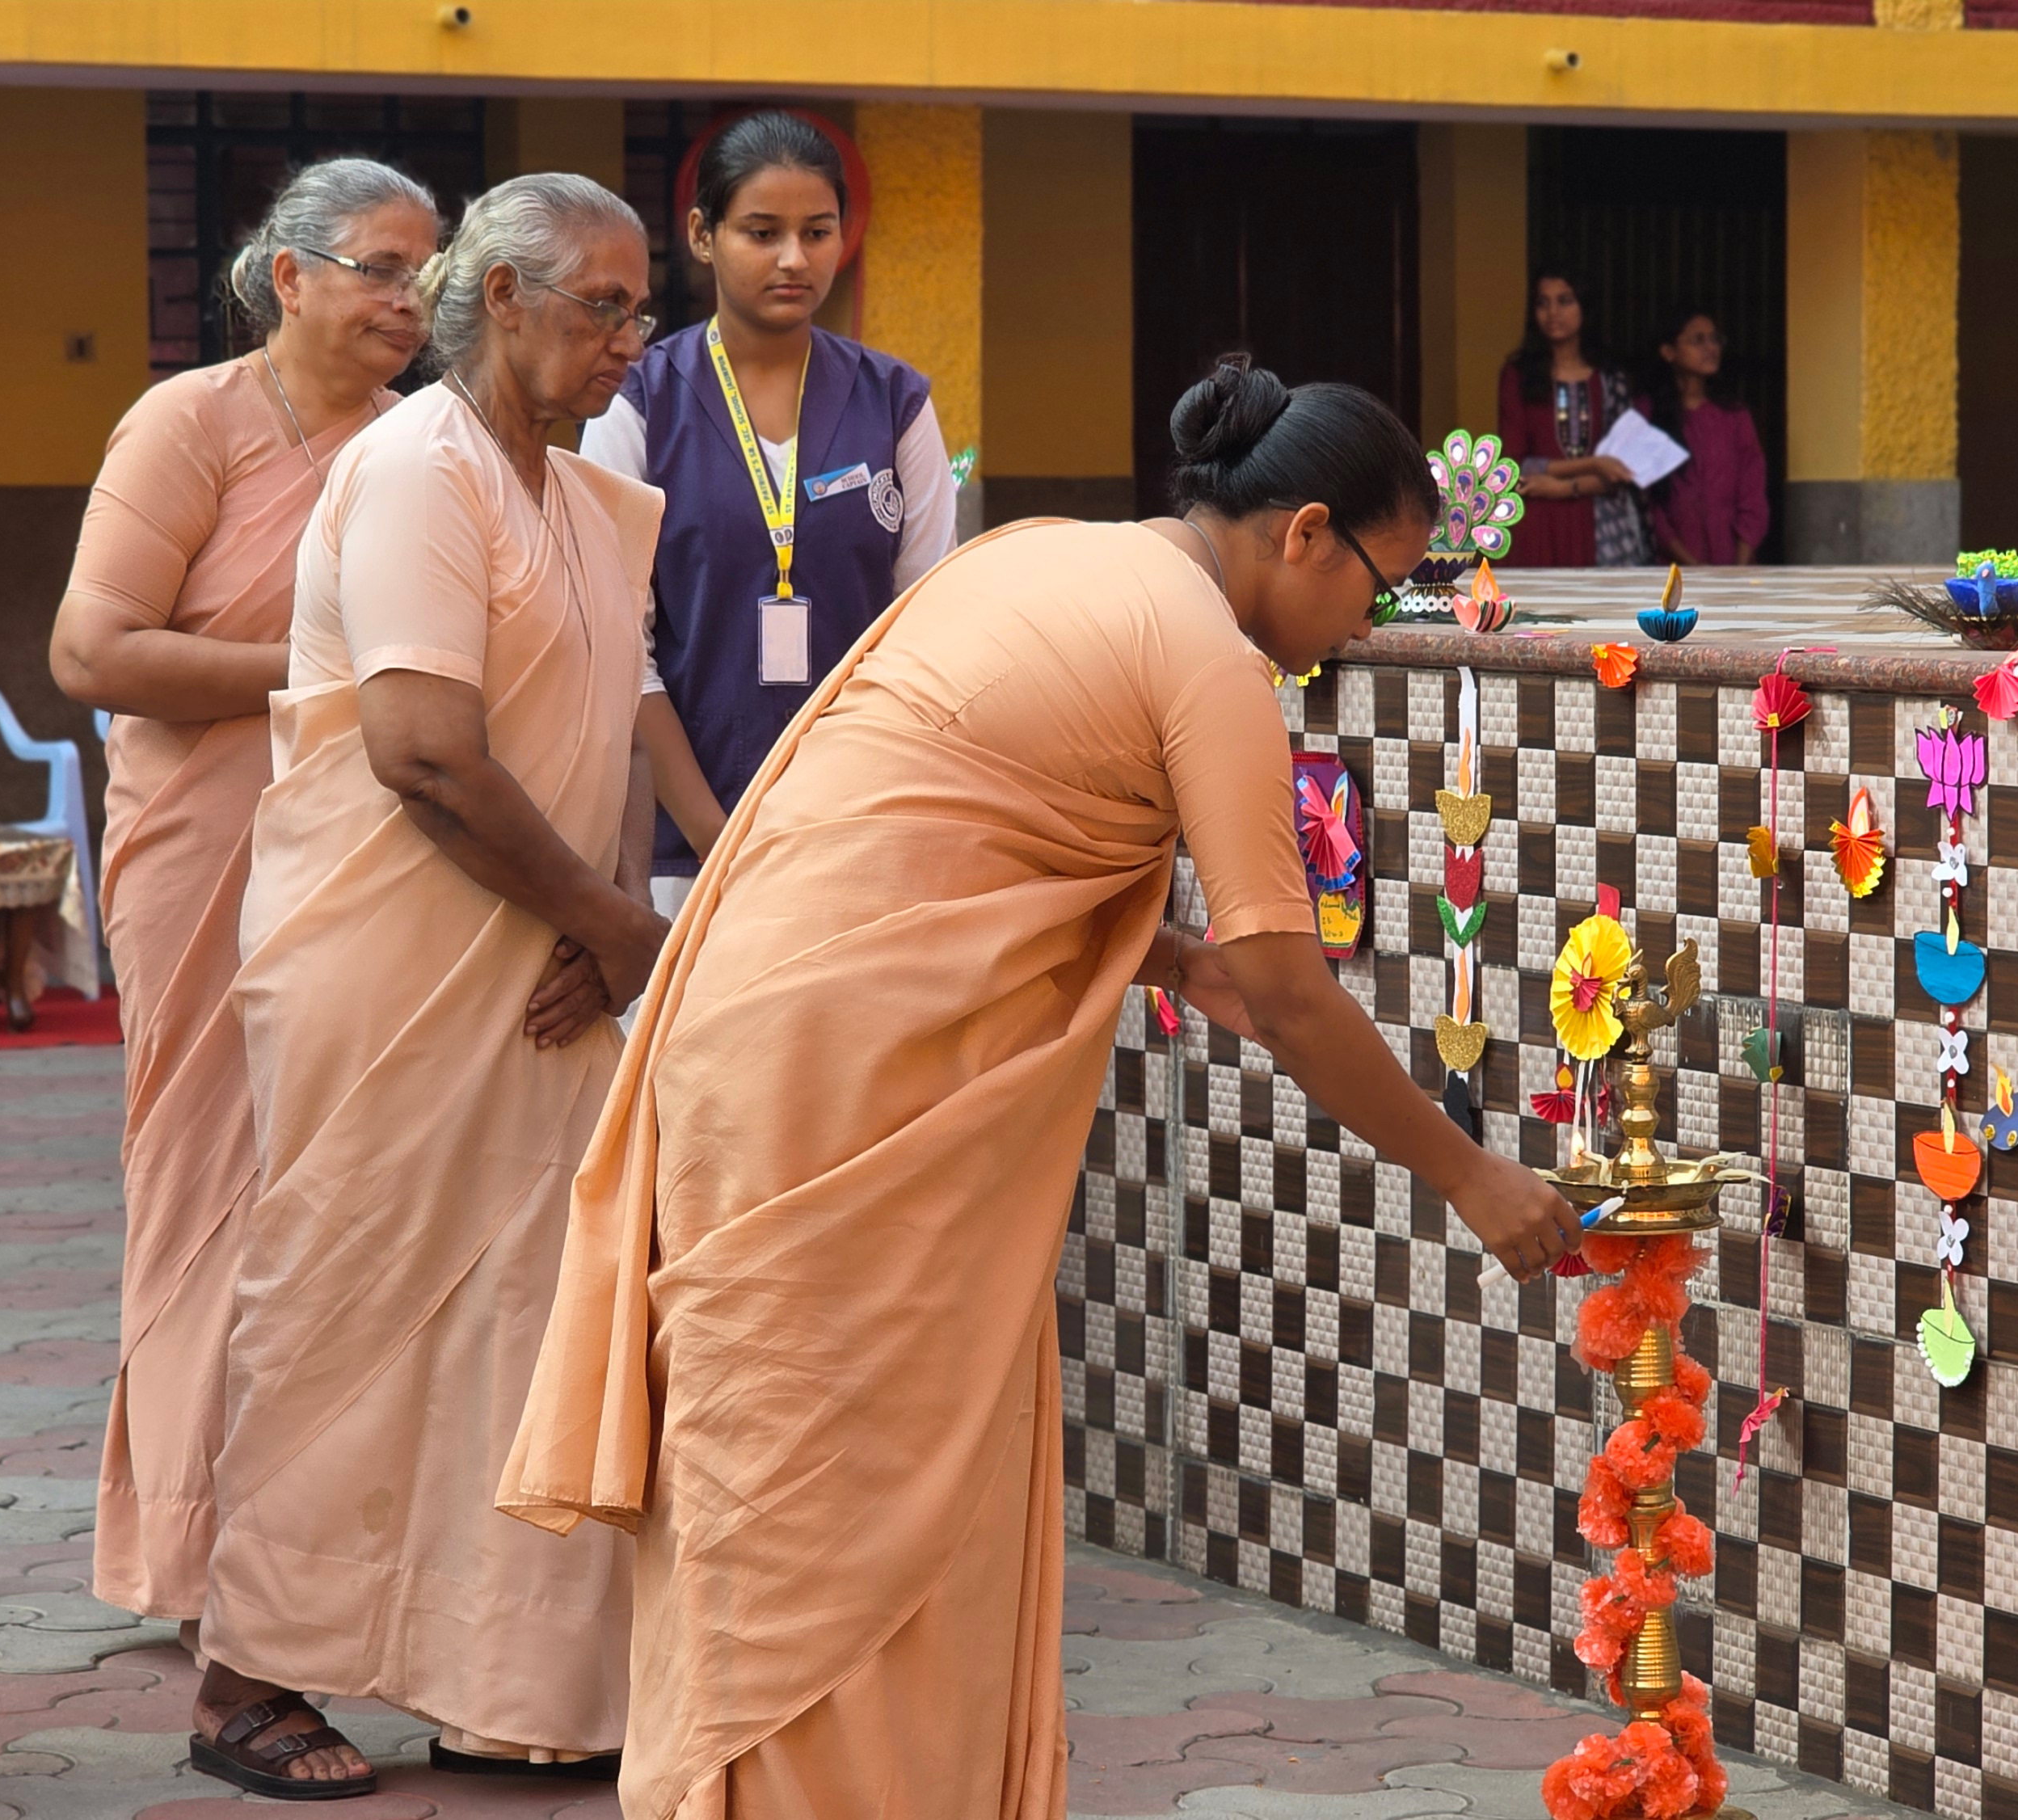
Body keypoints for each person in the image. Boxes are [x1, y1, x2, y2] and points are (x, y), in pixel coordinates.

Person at [502, 356, 1584, 1820]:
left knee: (849, 1494)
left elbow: (943, 816)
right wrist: (1469, 1173)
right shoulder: (1208, 657)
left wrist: (1150, 943)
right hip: (839, 1087)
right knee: (830, 1513)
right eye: (1377, 586)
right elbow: (1287, 983)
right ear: (1304, 533)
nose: (1359, 628)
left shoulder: (1047, 553)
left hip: (768, 1044)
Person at [195, 173, 665, 1798]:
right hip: (391, 954)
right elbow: (421, 753)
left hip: (540, 956)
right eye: (600, 303)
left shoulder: (592, 487)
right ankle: (245, 1677)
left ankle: (514, 1680)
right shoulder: (417, 468)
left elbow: (610, 712)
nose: (629, 336)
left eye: (638, 306)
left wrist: (629, 911)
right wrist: (610, 923)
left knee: (525, 1314)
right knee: (344, 1302)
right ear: (506, 300)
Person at [46, 156, 430, 1780]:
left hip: (371, 851)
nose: (412, 303)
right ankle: (205, 1566)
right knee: (212, 1187)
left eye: (432, 273)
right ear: (287, 277)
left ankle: (255, 1549)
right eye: (381, 269)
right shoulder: (191, 422)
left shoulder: (425, 444)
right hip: (206, 843)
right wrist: (325, 672)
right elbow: (92, 651)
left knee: (336, 1204)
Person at [579, 110, 955, 910]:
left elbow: (926, 634)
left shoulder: (895, 404)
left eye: (818, 232)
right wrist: (719, 838)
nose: (794, 258)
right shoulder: (638, 402)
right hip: (682, 858)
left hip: (855, 839)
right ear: (701, 234)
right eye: (761, 231)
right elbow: (618, 651)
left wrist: (860, 817)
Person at [1498, 269, 1649, 568]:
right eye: (1543, 303)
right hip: (1537, 516)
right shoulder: (1519, 375)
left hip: (1603, 519)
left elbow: (1627, 468)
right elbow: (1514, 463)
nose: (1553, 312)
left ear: (1585, 307)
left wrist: (1565, 487)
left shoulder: (1610, 378)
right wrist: (1594, 464)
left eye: (1565, 301)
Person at [1642, 306, 1768, 567]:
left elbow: (1753, 493)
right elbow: (1648, 503)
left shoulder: (1735, 416)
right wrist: (1691, 565)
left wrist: (1739, 567)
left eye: (1715, 339)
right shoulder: (1647, 415)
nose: (1710, 348)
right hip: (1670, 567)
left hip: (1733, 563)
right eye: (1698, 340)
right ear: (1669, 352)